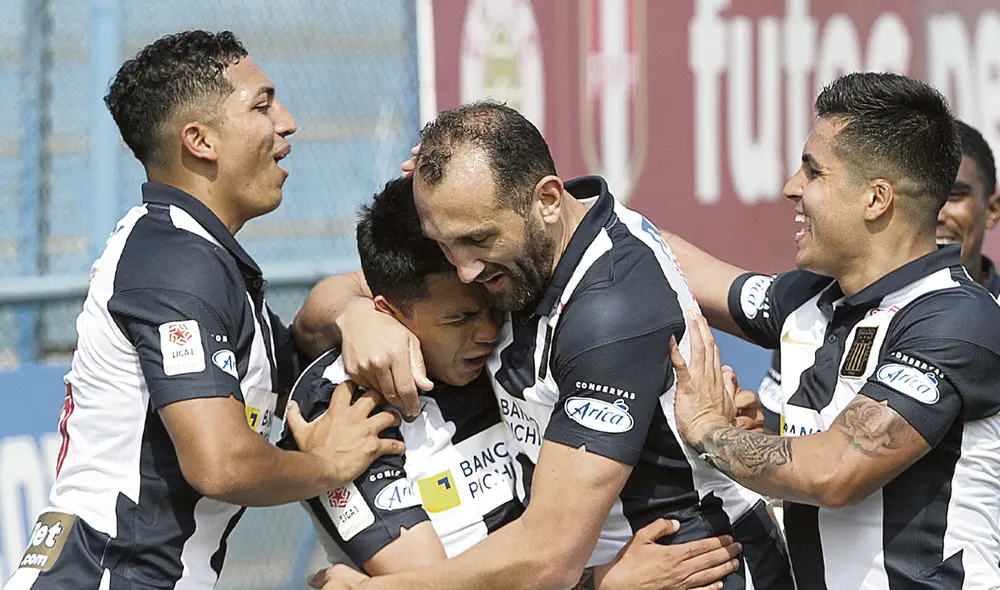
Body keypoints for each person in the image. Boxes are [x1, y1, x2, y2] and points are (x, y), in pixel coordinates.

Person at [295, 102, 793, 589]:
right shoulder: (527, 252)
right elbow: (358, 292)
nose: (466, 270)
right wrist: (356, 315)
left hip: (691, 566)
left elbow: (548, 556)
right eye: (447, 245)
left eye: (477, 240)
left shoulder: (607, 313)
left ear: (549, 201)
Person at [3, 31, 401, 590]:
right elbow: (222, 464)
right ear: (200, 141)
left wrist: (356, 313)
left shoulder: (201, 257)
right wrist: (329, 465)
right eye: (262, 105)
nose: (286, 122)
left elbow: (306, 337)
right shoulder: (175, 262)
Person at [662, 72, 1000, 589]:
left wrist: (708, 429)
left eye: (813, 172)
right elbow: (679, 265)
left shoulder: (957, 320)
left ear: (876, 199)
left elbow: (836, 472)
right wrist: (579, 218)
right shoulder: (809, 299)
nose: (790, 188)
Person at [756, 118, 1000, 433]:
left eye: (953, 196)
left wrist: (707, 428)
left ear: (992, 210)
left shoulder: (977, 321)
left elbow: (831, 473)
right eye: (925, 197)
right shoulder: (817, 311)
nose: (935, 213)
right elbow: (778, 443)